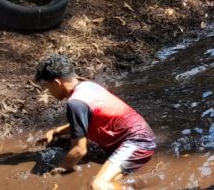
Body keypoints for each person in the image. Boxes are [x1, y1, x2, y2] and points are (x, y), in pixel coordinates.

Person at [34, 55, 156, 190]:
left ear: (57, 83)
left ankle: (155, 181)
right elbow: (83, 123)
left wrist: (58, 171)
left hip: (137, 142)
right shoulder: (87, 85)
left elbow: (79, 150)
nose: (49, 91)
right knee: (111, 181)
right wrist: (55, 132)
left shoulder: (75, 103)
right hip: (139, 136)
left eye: (47, 86)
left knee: (98, 186)